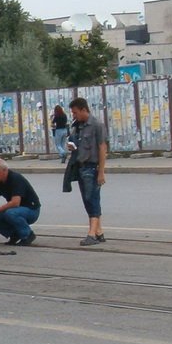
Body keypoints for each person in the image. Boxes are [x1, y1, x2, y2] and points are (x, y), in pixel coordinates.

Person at [67, 96, 107, 246]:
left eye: (75, 112)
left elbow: (103, 148)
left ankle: (91, 234)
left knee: (92, 199)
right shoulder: (78, 126)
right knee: (88, 200)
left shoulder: (97, 125)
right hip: (81, 166)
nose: (74, 115)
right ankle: (99, 232)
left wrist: (101, 171)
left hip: (92, 167)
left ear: (84, 109)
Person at [0, 157, 41, 245]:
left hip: (31, 210)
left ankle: (27, 235)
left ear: (4, 170)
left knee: (11, 213)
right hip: (15, 209)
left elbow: (15, 203)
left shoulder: (16, 178)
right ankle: (14, 234)